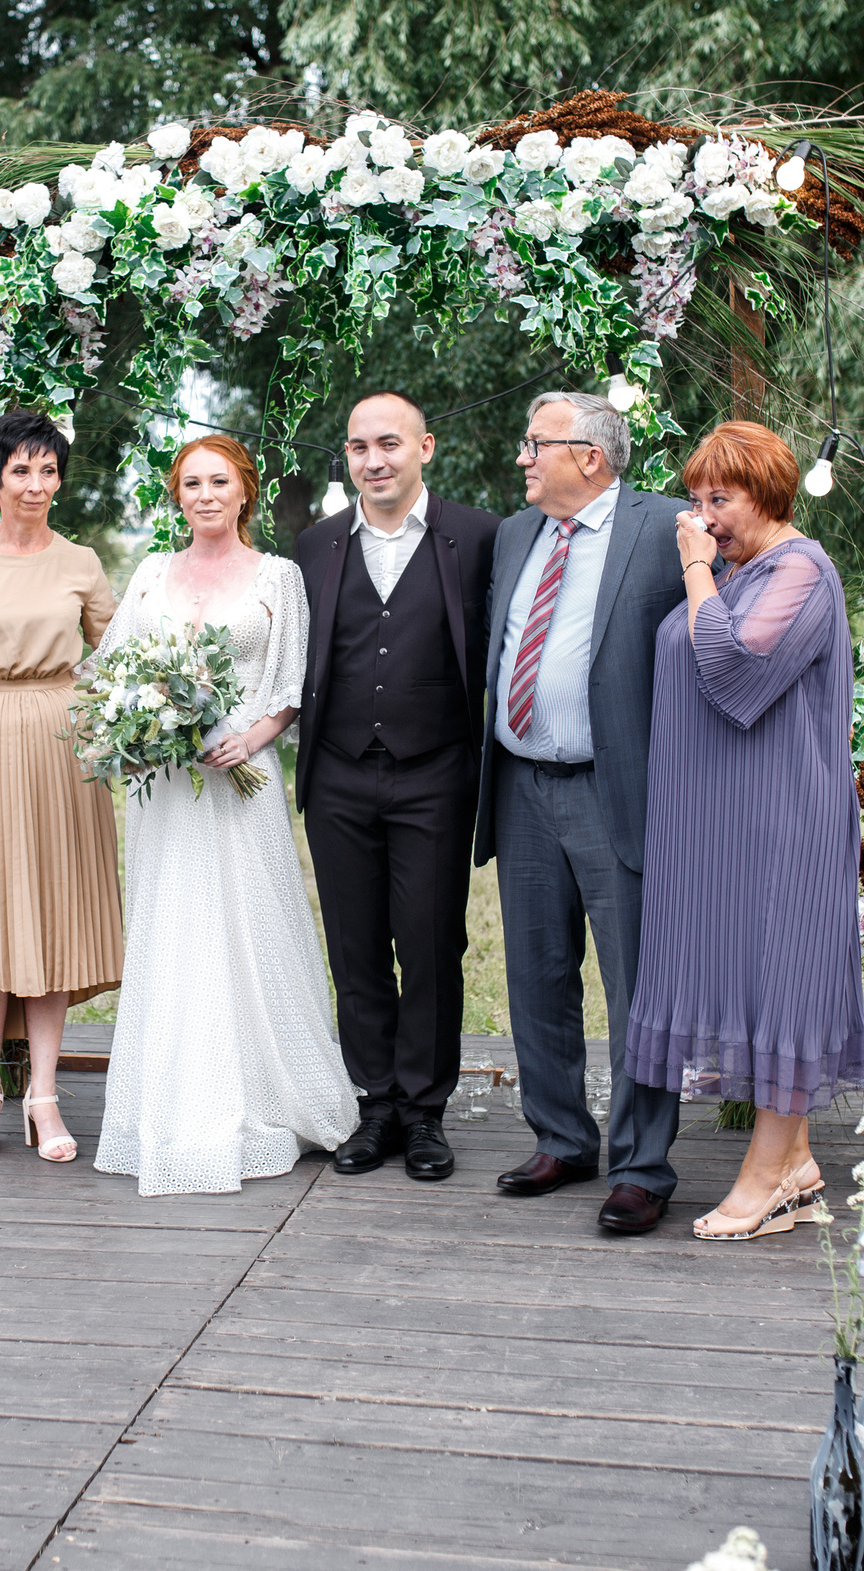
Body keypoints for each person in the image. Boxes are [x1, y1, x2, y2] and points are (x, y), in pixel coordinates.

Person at [94, 434, 359, 1196]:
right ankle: (173, 1105)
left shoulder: (278, 576)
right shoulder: (150, 574)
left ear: (246, 491)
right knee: (174, 926)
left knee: (252, 922)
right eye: (190, 483)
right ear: (175, 494)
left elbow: (291, 687)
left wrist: (251, 738)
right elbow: (117, 670)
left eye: (219, 481)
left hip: (241, 773)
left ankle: (273, 1099)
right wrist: (137, 731)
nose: (205, 494)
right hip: (170, 788)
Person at [628, 420, 864, 1239]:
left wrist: (695, 566)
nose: (701, 516)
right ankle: (796, 1164)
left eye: (719, 499)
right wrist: (708, 567)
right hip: (719, 824)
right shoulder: (739, 571)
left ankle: (764, 1180)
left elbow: (731, 665)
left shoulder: (800, 568)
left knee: (783, 987)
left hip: (781, 820)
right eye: (694, 500)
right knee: (753, 982)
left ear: (765, 494)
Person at [474, 391, 689, 1236]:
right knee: (535, 970)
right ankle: (561, 1136)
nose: (523, 458)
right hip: (523, 782)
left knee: (636, 983)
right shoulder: (515, 534)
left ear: (589, 456)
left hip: (617, 788)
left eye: (537, 444)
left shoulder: (666, 529)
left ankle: (643, 1166)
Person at [292, 391, 499, 1181]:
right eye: (357, 447)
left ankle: (425, 1110)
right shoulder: (314, 546)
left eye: (388, 444)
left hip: (436, 775)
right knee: (355, 947)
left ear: (425, 447)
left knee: (431, 943)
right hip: (339, 773)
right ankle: (374, 1102)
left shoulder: (477, 537)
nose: (373, 460)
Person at [0, 408, 125, 1164]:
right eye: (21, 471)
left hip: (63, 752)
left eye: (48, 470)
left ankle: (44, 1093)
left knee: (51, 919)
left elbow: (125, 654)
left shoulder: (82, 563)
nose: (35, 485)